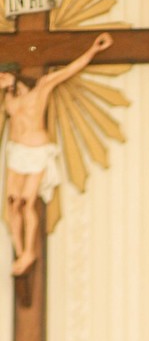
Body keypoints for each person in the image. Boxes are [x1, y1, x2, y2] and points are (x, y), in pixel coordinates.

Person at [0, 31, 112, 274]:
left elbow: (68, 71)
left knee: (27, 202)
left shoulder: (40, 90)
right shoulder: (9, 99)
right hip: (16, 152)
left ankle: (29, 252)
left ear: (13, 75)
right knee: (11, 202)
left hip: (36, 151)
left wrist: (93, 50)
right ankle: (20, 251)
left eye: (3, 75)